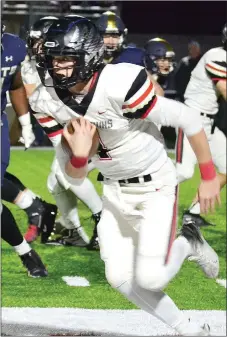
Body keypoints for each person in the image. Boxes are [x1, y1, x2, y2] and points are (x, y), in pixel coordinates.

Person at [36, 17, 220, 335]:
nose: (59, 67)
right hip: (113, 191)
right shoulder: (47, 99)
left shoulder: (120, 83)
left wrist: (208, 175)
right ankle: (189, 329)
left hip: (155, 186)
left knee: (151, 278)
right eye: (54, 59)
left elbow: (188, 118)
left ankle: (188, 241)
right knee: (119, 278)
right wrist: (80, 154)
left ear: (89, 56)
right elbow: (74, 176)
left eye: (66, 58)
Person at [24, 16, 103, 249]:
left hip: (108, 134)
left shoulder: (90, 72)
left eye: (44, 42)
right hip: (74, 130)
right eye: (38, 42)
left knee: (66, 175)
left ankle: (103, 219)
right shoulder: (38, 80)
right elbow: (40, 104)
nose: (39, 48)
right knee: (56, 181)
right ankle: (74, 231)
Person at [1, 24, 47, 277]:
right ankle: (31, 204)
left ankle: (25, 253)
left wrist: (26, 123)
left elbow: (15, 84)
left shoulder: (12, 47)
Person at [176, 23, 227, 228]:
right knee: (184, 172)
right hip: (192, 119)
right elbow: (224, 88)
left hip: (210, 123)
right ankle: (140, 202)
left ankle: (192, 214)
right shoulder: (216, 55)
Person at [143, 37, 178, 148]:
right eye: (162, 60)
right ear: (151, 59)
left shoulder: (161, 79)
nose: (167, 64)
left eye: (168, 60)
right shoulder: (141, 78)